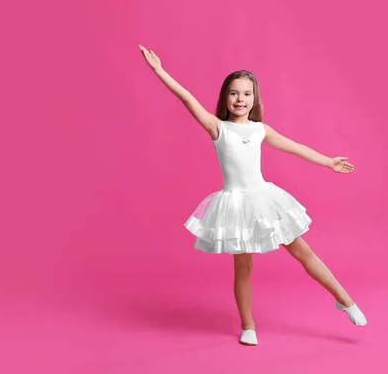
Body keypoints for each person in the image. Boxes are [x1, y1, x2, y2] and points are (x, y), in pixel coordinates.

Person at [138, 44, 367, 346]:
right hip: (234, 205)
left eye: (246, 94)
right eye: (234, 93)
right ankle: (248, 326)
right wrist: (159, 71)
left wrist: (327, 161)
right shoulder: (217, 127)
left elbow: (295, 147)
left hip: (264, 201)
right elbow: (187, 99)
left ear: (254, 98)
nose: (240, 99)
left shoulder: (260, 130)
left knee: (303, 252)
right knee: (243, 269)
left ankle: (345, 300)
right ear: (226, 97)